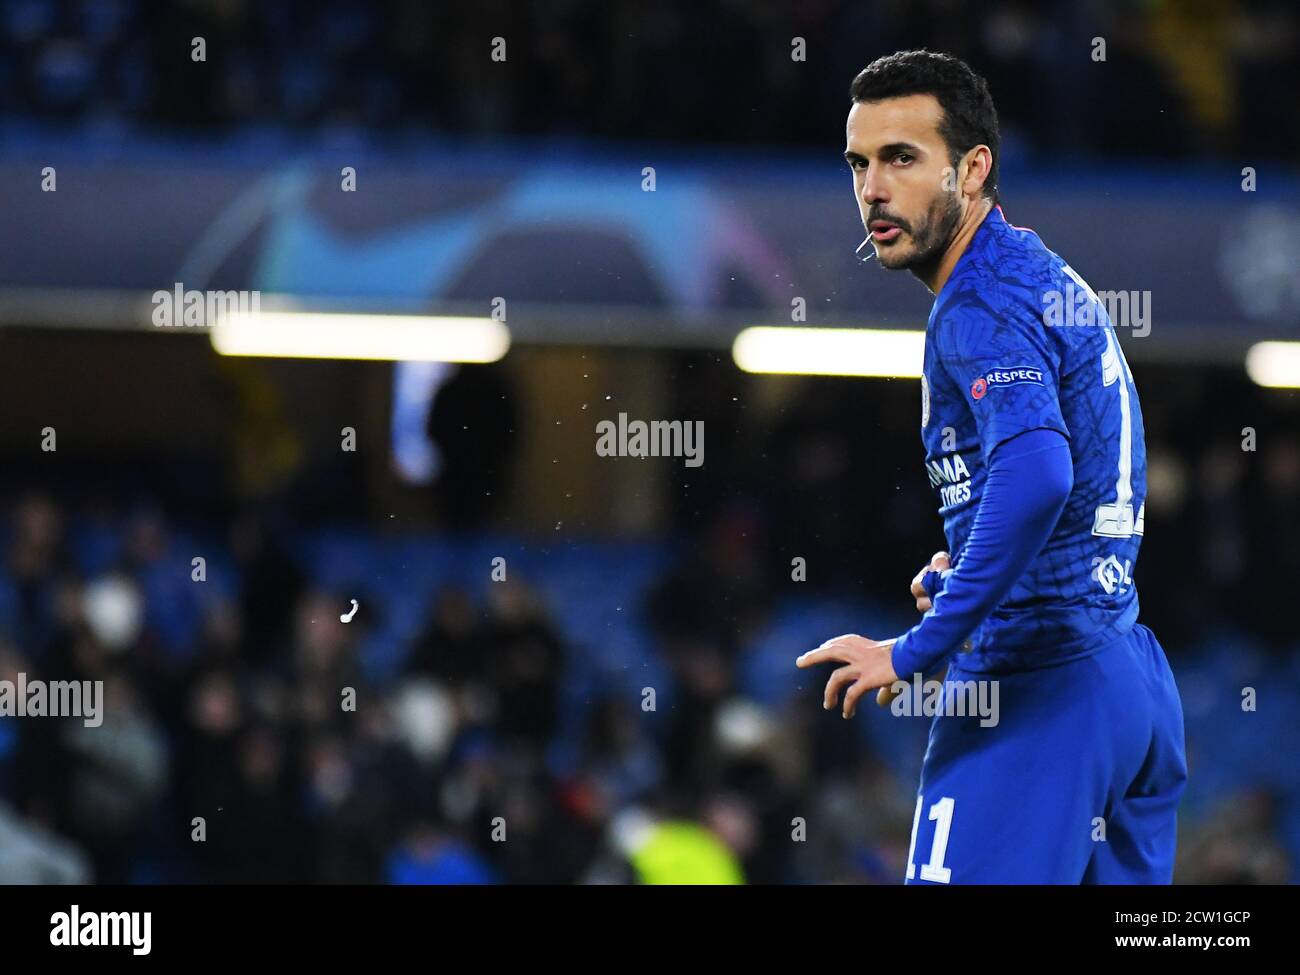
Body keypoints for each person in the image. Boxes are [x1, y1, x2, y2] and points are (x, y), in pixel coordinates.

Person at [796, 50, 1187, 884]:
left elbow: (1039, 474)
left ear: (973, 169)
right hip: (1126, 678)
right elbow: (1062, 480)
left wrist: (917, 647)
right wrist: (977, 563)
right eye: (859, 164)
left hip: (1042, 689)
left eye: (902, 158)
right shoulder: (1034, 275)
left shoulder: (976, 304)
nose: (872, 189)